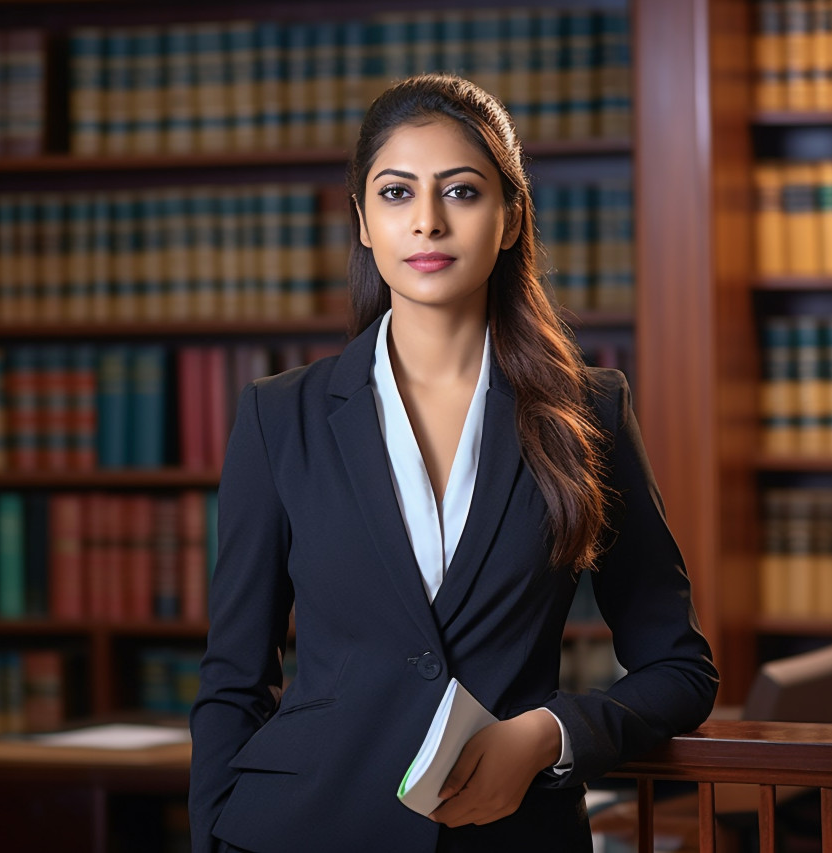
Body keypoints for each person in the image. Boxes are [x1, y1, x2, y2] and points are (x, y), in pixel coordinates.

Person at [188, 72, 718, 853]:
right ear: (363, 222)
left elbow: (680, 668)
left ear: (509, 220)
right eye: (396, 193)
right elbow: (233, 682)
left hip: (512, 834)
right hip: (298, 831)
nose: (427, 222)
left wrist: (546, 734)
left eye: (462, 192)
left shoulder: (589, 412)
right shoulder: (279, 417)